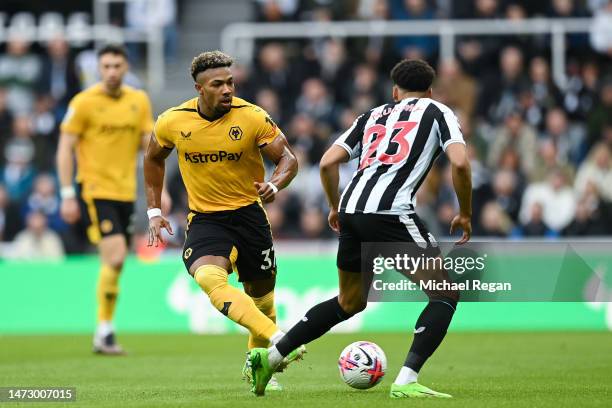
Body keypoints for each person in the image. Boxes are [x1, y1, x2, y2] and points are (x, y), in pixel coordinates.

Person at [248, 59, 473, 398]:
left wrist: (335, 206)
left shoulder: (372, 115)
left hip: (353, 209)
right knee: (445, 293)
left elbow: (327, 161)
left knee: (350, 302)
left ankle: (273, 356)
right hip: (391, 212)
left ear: (395, 91)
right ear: (430, 90)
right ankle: (406, 381)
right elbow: (459, 161)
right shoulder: (439, 111)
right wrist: (465, 212)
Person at [143, 50, 303, 391]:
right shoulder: (173, 120)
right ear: (200, 89)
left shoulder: (253, 117)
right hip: (205, 219)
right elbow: (153, 157)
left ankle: (258, 364)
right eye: (218, 84)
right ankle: (280, 338)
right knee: (208, 279)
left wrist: (275, 183)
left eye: (231, 82)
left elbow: (288, 158)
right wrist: (154, 211)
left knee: (263, 299)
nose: (228, 89)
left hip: (250, 216)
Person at [56, 44, 154, 355]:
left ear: (126, 69)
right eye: (106, 66)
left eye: (117, 66)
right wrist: (67, 194)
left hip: (126, 192)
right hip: (95, 190)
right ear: (99, 70)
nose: (112, 72)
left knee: (117, 261)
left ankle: (104, 330)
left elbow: (148, 148)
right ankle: (104, 331)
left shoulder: (138, 101)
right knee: (114, 256)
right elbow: (64, 149)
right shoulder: (83, 103)